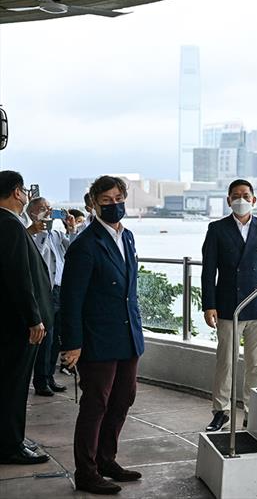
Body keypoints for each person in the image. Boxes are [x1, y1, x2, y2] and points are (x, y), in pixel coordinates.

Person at [61, 175, 144, 495]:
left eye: (118, 198)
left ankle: (107, 459)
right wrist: (72, 344)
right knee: (95, 405)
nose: (114, 205)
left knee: (123, 399)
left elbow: (128, 290)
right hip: (97, 339)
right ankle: (87, 471)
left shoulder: (129, 237)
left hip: (128, 335)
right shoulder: (84, 245)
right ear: (92, 204)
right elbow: (71, 298)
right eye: (106, 200)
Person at [202, 179, 257, 432]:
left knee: (255, 364)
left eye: (245, 195)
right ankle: (221, 411)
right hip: (227, 306)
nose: (241, 199)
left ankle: (252, 411)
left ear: (254, 199)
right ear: (228, 200)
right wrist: (209, 305)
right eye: (236, 195)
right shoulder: (216, 229)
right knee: (225, 362)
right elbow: (208, 271)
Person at [0, 171, 53, 465]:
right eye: (23, 191)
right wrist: (34, 318)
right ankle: (11, 444)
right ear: (17, 192)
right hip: (19, 324)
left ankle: (12, 438)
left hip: (11, 321)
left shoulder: (11, 224)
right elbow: (19, 277)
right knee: (14, 385)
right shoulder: (9, 225)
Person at [26, 197, 77, 396]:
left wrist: (71, 229)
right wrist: (41, 230)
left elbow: (72, 249)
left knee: (57, 338)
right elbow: (38, 254)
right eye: (42, 209)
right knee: (45, 339)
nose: (48, 212)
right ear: (32, 214)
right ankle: (40, 381)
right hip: (45, 293)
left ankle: (49, 376)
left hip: (61, 291)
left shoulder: (56, 234)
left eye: (49, 209)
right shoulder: (30, 235)